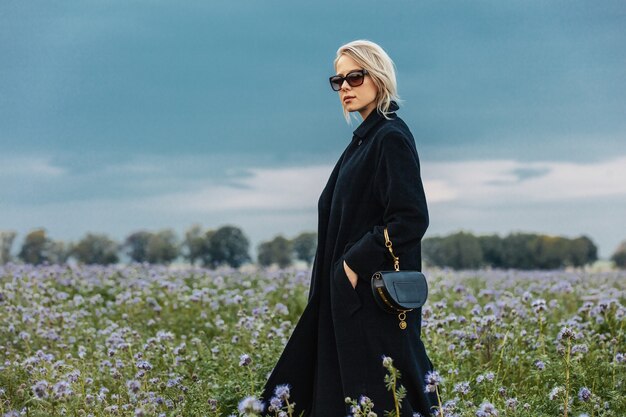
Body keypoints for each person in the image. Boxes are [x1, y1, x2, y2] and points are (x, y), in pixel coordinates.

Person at [260, 39, 437, 417]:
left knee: (379, 394)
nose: (345, 88)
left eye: (354, 77)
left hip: (371, 299)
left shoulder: (389, 137)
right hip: (350, 298)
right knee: (349, 393)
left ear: (378, 76)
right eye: (338, 81)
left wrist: (351, 266)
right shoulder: (364, 140)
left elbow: (410, 218)